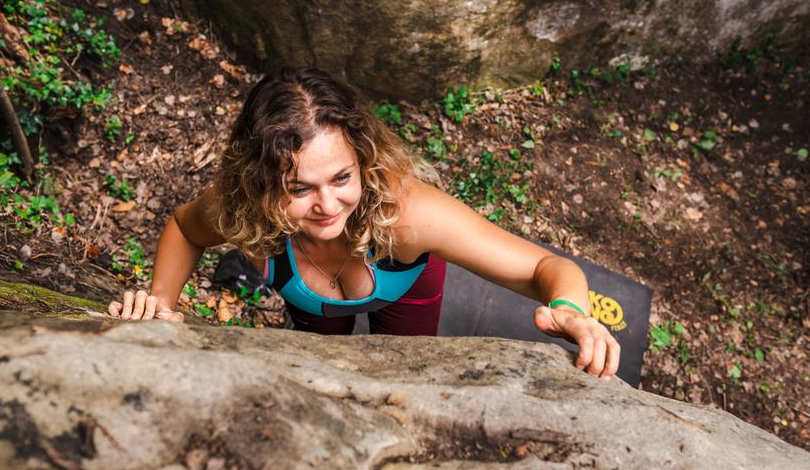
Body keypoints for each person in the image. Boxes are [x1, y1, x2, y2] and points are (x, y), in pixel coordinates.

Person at [108, 68, 620, 380]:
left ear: (364, 159)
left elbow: (546, 266)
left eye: (341, 177)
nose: (327, 205)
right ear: (264, 185)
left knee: (407, 369)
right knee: (318, 363)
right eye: (298, 189)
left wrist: (573, 312)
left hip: (405, 293)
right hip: (309, 306)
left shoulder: (408, 214)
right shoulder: (244, 205)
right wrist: (161, 306)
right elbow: (184, 227)